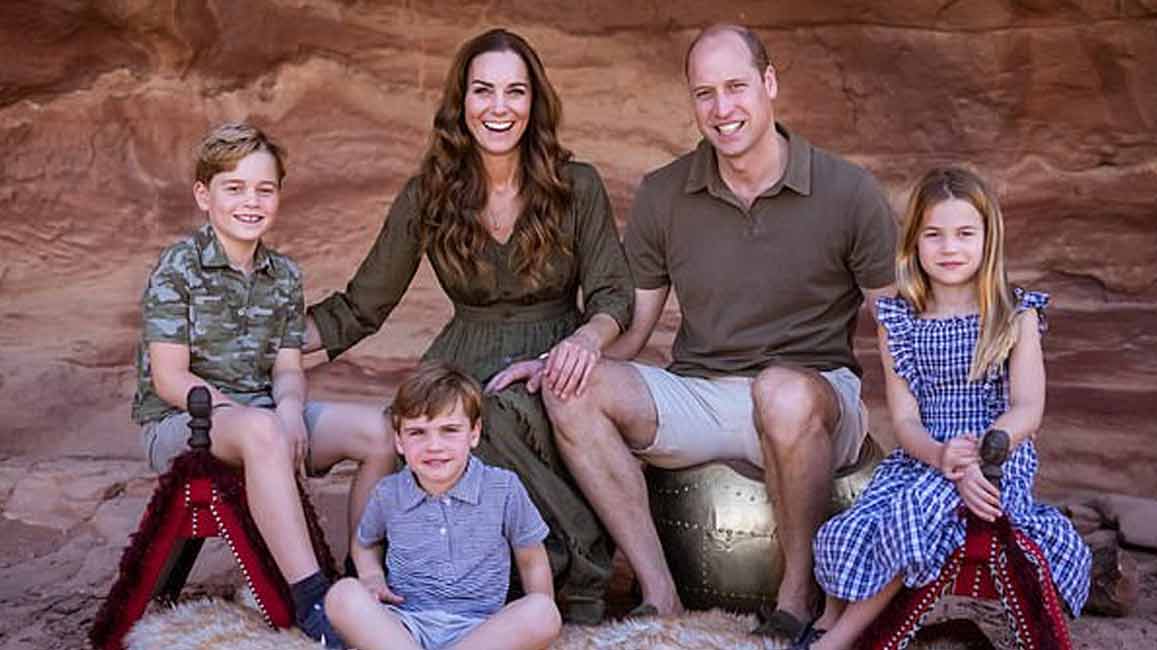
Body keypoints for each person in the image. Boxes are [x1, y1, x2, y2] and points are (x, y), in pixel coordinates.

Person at [541, 24, 898, 639]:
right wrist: (577, 355)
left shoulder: (850, 191)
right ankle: (660, 592)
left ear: (770, 83)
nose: (721, 108)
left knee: (781, 393)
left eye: (736, 87)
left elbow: (899, 330)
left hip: (817, 400)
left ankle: (797, 597)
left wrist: (922, 432)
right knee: (570, 390)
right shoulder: (664, 193)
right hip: (705, 392)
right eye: (704, 93)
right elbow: (635, 325)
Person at [304, 28, 633, 624]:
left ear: (535, 103)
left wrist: (585, 341)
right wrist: (268, 344)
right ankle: (407, 593)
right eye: (483, 91)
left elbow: (614, 294)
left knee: (492, 416)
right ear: (461, 104)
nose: (499, 108)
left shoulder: (576, 185)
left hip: (552, 359)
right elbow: (363, 305)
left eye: (515, 92)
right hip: (461, 353)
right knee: (425, 426)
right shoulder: (429, 194)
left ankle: (569, 580)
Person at [801, 167, 1093, 649]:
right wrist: (939, 457)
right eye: (933, 235)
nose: (949, 248)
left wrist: (984, 452)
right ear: (914, 242)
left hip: (1000, 457)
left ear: (988, 238)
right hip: (925, 456)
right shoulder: (899, 321)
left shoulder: (1014, 315)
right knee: (850, 525)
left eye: (964, 234)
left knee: (921, 509)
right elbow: (906, 420)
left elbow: (1027, 408)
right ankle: (829, 620)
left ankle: (839, 642)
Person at [131, 122, 396, 645]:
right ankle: (312, 598)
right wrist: (259, 421)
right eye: (234, 188)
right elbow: (169, 379)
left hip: (266, 417)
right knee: (262, 432)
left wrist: (291, 409)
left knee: (379, 432)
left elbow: (287, 368)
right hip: (186, 423)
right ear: (204, 196)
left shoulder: (284, 276)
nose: (250, 202)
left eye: (264, 189)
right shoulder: (178, 270)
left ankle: (361, 574)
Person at [324, 360, 561, 650]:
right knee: (342, 595)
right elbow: (365, 543)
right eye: (417, 432)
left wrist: (538, 629)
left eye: (449, 430)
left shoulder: (503, 488)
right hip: (404, 625)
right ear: (399, 441)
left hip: (480, 630)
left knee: (543, 612)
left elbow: (531, 559)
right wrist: (372, 577)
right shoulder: (388, 493)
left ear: (473, 434)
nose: (434, 445)